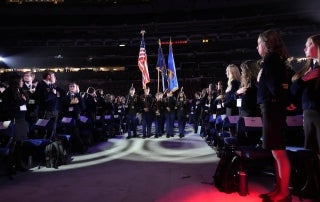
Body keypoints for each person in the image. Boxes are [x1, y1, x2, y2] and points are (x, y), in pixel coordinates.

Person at [256, 29, 291, 202]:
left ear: (266, 44)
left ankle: (284, 193)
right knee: (275, 152)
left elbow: (276, 86)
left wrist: (283, 101)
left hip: (273, 108)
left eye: (259, 44)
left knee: (279, 152)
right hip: (271, 108)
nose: (257, 48)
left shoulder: (271, 59)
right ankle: (279, 189)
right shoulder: (271, 60)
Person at [291, 34, 320, 158]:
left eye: (309, 45)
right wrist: (305, 79)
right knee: (309, 150)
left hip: (318, 112)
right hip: (308, 113)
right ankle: (313, 176)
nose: (305, 49)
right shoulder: (308, 69)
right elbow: (293, 90)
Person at [2, 72, 29, 172]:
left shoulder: (20, 90)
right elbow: (6, 108)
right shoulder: (7, 93)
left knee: (19, 144)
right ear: (15, 81)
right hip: (13, 120)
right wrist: (21, 103)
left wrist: (24, 101)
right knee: (12, 144)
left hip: (21, 119)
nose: (23, 82)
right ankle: (9, 166)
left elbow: (25, 104)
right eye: (21, 80)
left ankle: (18, 164)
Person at [34, 70, 64, 138]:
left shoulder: (52, 85)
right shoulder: (41, 85)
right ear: (48, 76)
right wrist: (54, 93)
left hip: (54, 110)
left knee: (53, 131)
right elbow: (45, 98)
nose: (55, 77)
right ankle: (43, 146)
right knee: (43, 130)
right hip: (45, 111)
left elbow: (63, 92)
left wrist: (55, 88)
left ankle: (51, 147)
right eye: (53, 76)